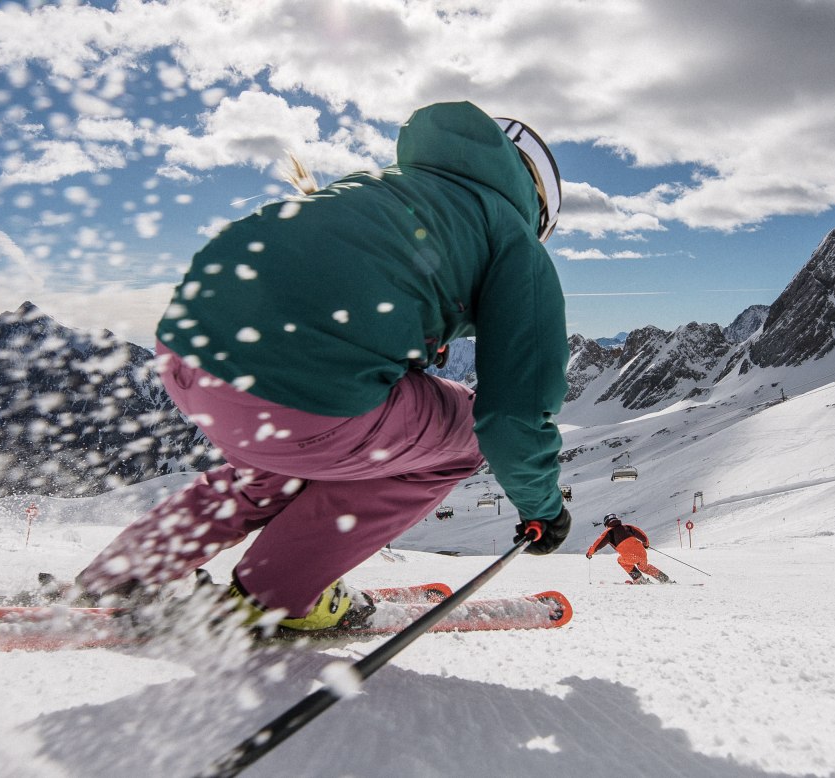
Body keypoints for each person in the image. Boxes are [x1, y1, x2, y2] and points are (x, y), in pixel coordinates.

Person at [67, 101, 574, 632]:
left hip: (185, 358)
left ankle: (123, 575)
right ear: (540, 206)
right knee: (463, 436)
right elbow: (512, 416)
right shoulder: (513, 241)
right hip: (307, 397)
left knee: (276, 468)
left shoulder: (387, 188)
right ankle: (272, 597)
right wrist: (542, 508)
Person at [586, 514, 672, 584]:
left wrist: (590, 553)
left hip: (630, 556)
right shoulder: (628, 527)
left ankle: (639, 579)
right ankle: (665, 579)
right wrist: (646, 544)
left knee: (620, 560)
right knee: (644, 568)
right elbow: (642, 535)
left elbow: (597, 545)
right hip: (642, 552)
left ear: (606, 524)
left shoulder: (608, 533)